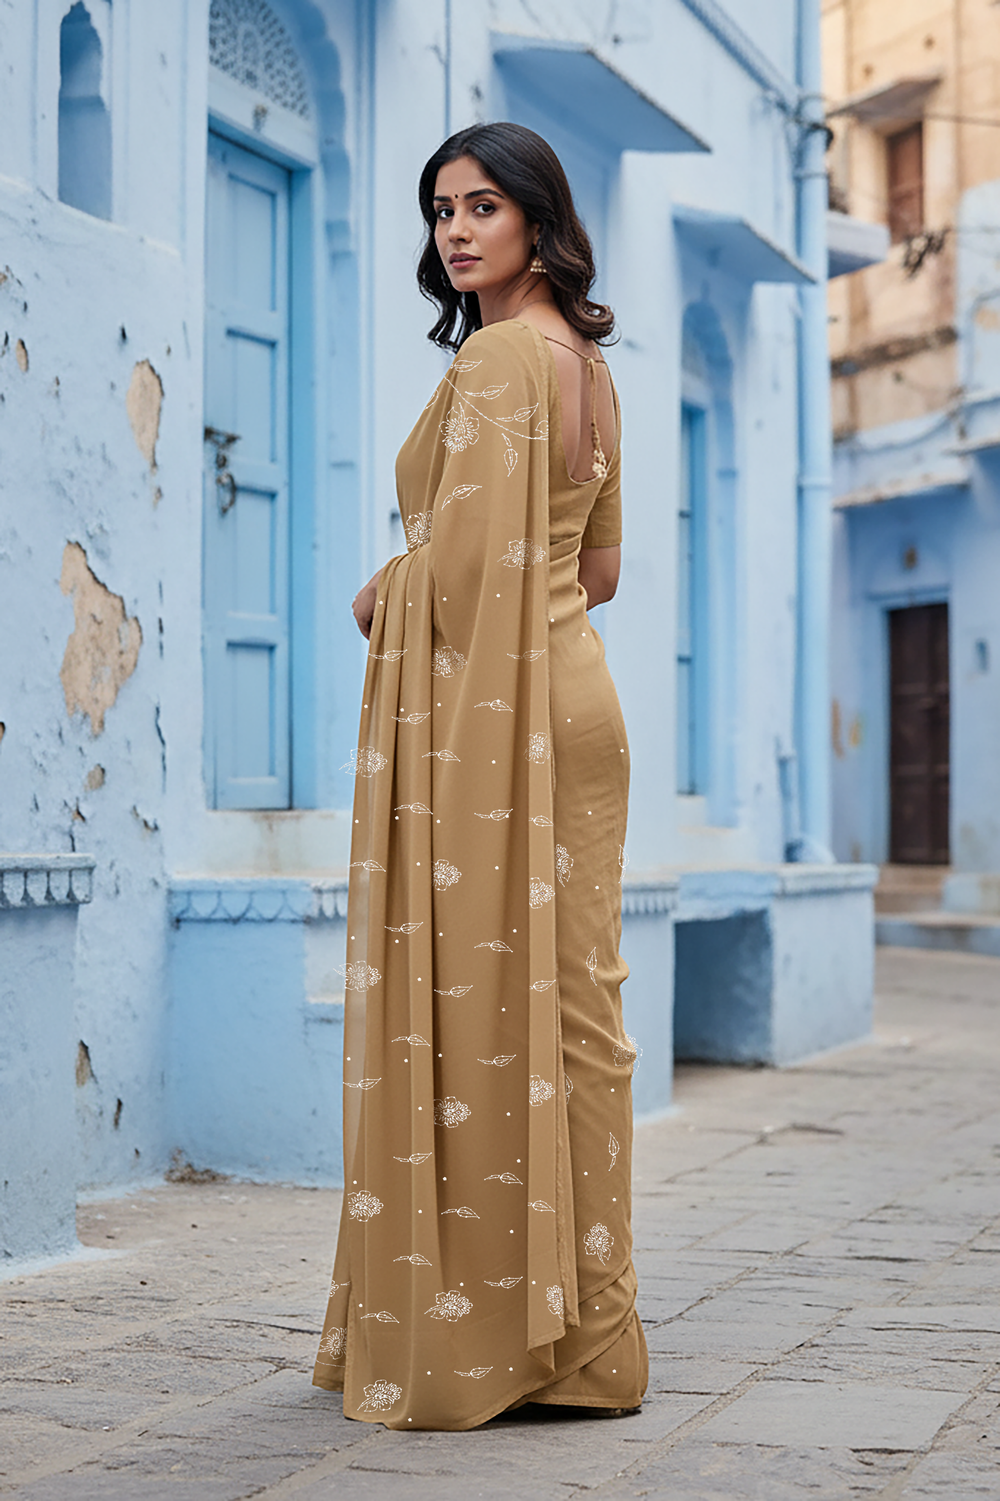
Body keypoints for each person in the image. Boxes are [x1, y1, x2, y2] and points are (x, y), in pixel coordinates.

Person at [313, 121, 647, 1431]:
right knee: (575, 1020)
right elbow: (597, 574)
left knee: (486, 1007)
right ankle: (585, 1340)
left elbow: (453, 576)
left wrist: (383, 591)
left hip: (506, 721)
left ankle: (488, 1341)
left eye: (485, 207)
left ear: (537, 222)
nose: (457, 231)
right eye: (441, 209)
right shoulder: (588, 366)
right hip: (579, 709)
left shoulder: (506, 358)